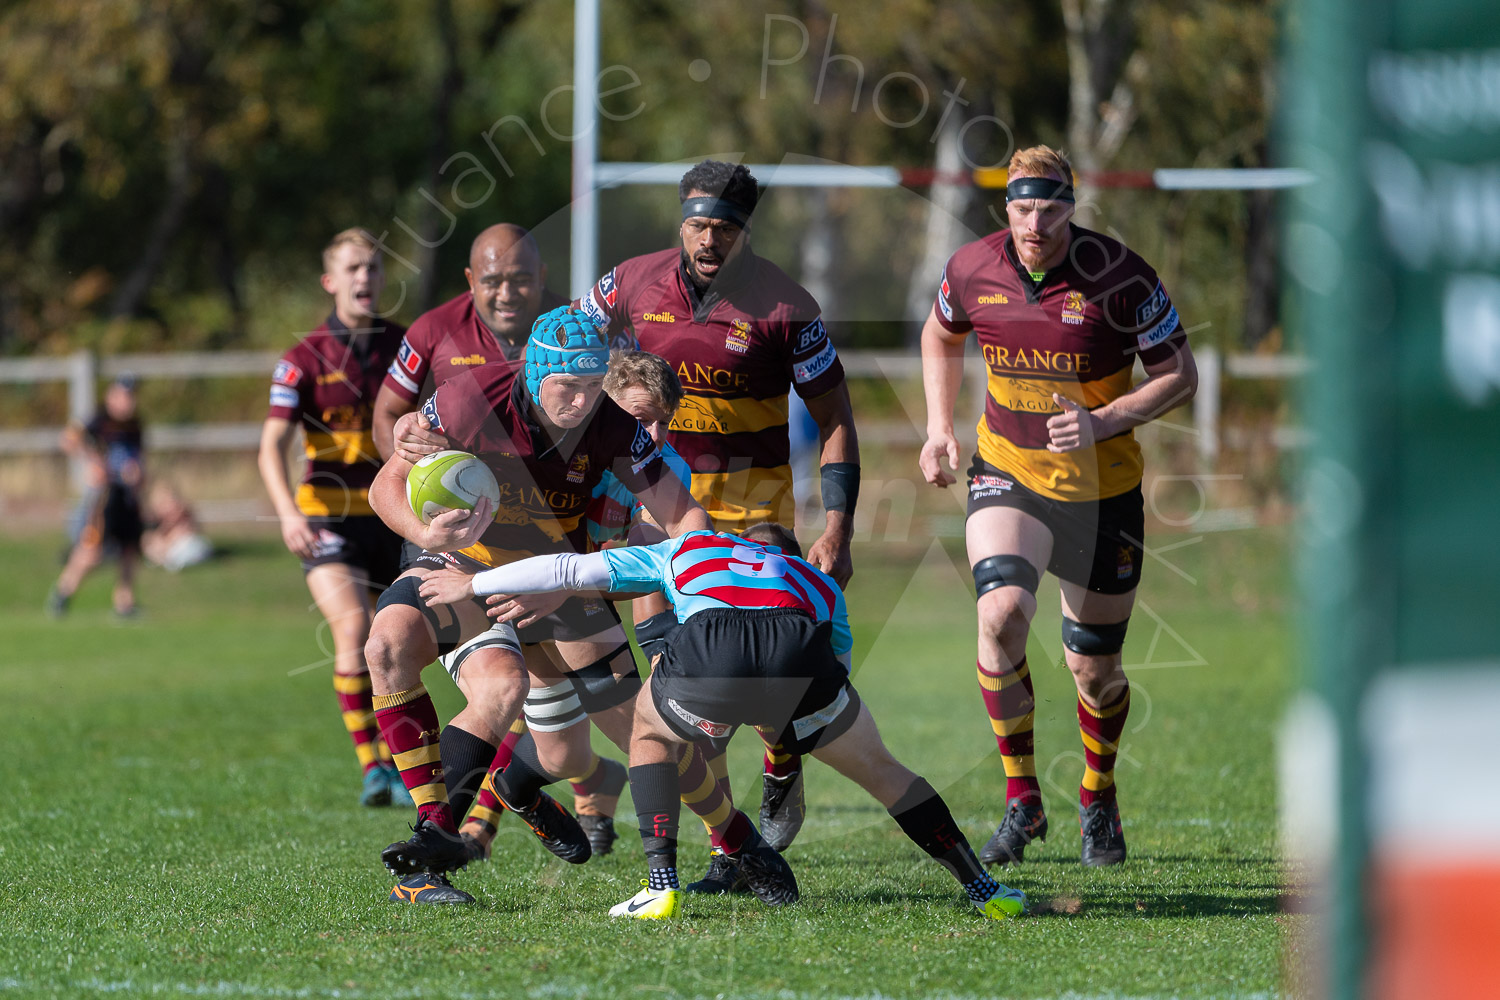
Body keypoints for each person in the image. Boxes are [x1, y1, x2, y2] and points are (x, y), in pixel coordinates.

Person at [418, 522, 1027, 922]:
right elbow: (837, 664)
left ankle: (660, 886)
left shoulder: (687, 549)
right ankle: (984, 889)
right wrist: (785, 732)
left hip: (714, 648)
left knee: (650, 734)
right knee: (886, 771)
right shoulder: (816, 581)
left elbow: (569, 571)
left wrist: (474, 580)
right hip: (801, 652)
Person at [366, 307, 711, 904]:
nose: (584, 404)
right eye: (570, 388)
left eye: (592, 388)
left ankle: (732, 844)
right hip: (467, 569)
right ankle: (430, 851)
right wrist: (427, 534)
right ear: (535, 375)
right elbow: (386, 484)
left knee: (617, 740)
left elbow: (681, 537)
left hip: (564, 588)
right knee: (396, 647)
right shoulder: (469, 400)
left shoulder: (625, 439)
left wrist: (696, 614)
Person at [576, 158, 862, 876]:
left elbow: (835, 419)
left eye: (726, 228)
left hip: (754, 525)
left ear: (745, 231)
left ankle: (780, 757)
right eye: (700, 224)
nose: (710, 239)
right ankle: (730, 851)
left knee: (765, 695)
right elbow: (561, 352)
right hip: (662, 525)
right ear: (682, 220)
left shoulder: (785, 306)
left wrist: (838, 528)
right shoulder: (627, 283)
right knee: (687, 696)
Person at [918, 145, 1199, 867]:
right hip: (1008, 472)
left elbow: (1180, 374)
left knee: (1093, 672)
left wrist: (1106, 420)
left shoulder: (1122, 277)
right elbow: (939, 334)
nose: (1034, 221)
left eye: (1049, 207)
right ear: (1004, 207)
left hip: (1103, 494)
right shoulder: (971, 268)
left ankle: (1097, 794)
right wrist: (940, 427)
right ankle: (1022, 801)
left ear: (1071, 206)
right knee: (1001, 613)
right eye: (1021, 207)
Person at [371, 224, 628, 850]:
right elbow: (390, 453)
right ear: (471, 282)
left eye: (520, 279)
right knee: (397, 647)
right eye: (493, 280)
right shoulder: (441, 344)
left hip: (551, 573)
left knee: (569, 750)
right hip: (459, 556)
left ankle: (527, 787)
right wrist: (422, 473)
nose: (507, 292)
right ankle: (437, 837)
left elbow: (649, 514)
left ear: (544, 284)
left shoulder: (593, 378)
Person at [256, 227, 411, 810]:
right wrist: (286, 514)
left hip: (392, 517)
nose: (364, 278)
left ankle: (402, 761)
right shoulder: (303, 359)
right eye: (352, 268)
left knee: (394, 641)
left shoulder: (404, 346)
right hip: (326, 520)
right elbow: (270, 445)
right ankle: (374, 769)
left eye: (372, 267)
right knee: (352, 629)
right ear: (331, 281)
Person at [48, 374, 146, 618]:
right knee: (91, 551)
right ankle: (63, 593)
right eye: (124, 396)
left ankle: (124, 603)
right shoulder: (97, 420)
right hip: (103, 496)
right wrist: (91, 460)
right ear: (112, 396)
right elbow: (68, 439)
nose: (129, 402)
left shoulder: (135, 425)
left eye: (132, 396)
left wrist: (139, 475)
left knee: (128, 549)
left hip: (127, 495)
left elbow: (139, 459)